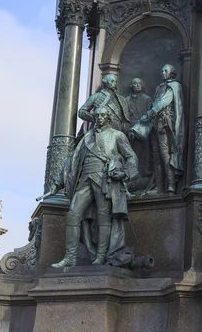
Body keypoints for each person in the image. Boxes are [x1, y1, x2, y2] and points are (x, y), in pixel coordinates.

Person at [52, 107, 138, 268]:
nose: (98, 118)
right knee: (72, 214)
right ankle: (70, 257)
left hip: (105, 180)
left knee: (104, 218)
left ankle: (101, 257)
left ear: (108, 117)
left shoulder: (117, 136)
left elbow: (131, 157)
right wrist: (57, 182)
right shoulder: (86, 138)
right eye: (96, 115)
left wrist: (124, 173)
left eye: (102, 115)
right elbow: (71, 161)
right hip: (84, 179)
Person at [133, 64, 185, 194]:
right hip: (155, 125)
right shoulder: (159, 88)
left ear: (172, 73)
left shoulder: (174, 86)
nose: (162, 72)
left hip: (164, 125)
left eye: (165, 70)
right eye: (162, 70)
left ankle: (171, 185)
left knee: (165, 154)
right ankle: (159, 187)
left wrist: (149, 113)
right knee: (156, 156)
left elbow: (163, 102)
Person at [126, 78, 153, 180]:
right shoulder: (127, 100)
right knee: (133, 152)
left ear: (142, 85)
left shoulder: (147, 99)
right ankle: (132, 172)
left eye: (139, 83)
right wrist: (130, 129)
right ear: (131, 86)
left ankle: (146, 170)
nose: (137, 85)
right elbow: (125, 117)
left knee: (146, 151)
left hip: (144, 128)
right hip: (131, 128)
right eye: (134, 83)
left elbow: (149, 116)